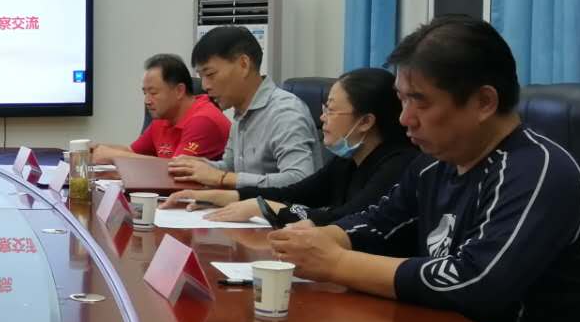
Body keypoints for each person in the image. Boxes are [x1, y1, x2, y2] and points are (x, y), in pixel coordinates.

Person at [268, 15, 580, 322]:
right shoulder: (433, 164)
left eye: (420, 102)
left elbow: (475, 281)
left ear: (484, 102)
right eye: (401, 100)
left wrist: (334, 262)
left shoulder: (538, 171)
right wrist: (322, 238)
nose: (404, 119)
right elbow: (380, 221)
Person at [166, 67, 417, 225]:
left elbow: (345, 219)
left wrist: (266, 209)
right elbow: (296, 192)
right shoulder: (347, 160)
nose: (322, 118)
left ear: (365, 122)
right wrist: (222, 197)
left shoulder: (398, 166)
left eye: (331, 110)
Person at [168, 25, 320, 190]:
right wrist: (200, 166)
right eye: (201, 77)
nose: (205, 86)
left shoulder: (285, 112)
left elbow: (299, 179)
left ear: (243, 65)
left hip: (283, 207)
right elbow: (231, 168)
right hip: (247, 205)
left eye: (210, 74)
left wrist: (222, 177)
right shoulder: (241, 113)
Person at [92, 53, 229, 163]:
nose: (147, 101)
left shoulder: (204, 120)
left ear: (179, 91)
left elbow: (176, 172)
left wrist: (114, 156)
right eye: (145, 93)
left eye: (153, 93)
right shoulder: (163, 118)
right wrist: (96, 149)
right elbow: (132, 152)